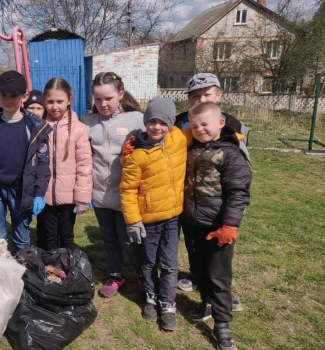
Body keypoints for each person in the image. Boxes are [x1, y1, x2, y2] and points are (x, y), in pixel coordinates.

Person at [175, 73, 246, 312]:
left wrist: (232, 218)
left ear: (218, 95)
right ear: (188, 99)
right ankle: (199, 281)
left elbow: (238, 173)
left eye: (206, 94)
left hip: (216, 206)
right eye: (195, 96)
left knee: (218, 258)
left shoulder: (231, 125)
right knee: (194, 249)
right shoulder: (179, 122)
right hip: (189, 205)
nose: (200, 99)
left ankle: (221, 295)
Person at [183, 102, 251, 350]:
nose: (199, 129)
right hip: (191, 224)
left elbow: (238, 192)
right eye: (194, 126)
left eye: (204, 124)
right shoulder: (190, 149)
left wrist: (229, 225)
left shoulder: (230, 153)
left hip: (217, 228)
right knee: (199, 270)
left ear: (221, 123)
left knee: (218, 276)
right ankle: (205, 303)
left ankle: (222, 324)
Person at [119, 97, 187, 331]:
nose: (157, 127)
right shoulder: (136, 155)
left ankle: (167, 303)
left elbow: (203, 130)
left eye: (163, 122)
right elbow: (127, 190)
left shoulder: (179, 138)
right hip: (147, 221)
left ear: (171, 123)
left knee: (169, 265)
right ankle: (151, 296)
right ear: (146, 122)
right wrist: (133, 220)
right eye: (152, 121)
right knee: (148, 262)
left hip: (172, 218)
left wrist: (234, 135)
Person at [0, 70, 51, 251]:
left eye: (13, 95)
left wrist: (38, 193)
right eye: (4, 95)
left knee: (22, 237)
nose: (8, 100)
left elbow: (42, 164)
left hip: (22, 189)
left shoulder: (35, 128)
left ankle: (24, 272)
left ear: (24, 96)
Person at [85, 72, 145, 298]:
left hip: (127, 196)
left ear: (120, 94)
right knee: (109, 239)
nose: (103, 104)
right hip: (99, 195)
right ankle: (116, 274)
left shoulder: (137, 120)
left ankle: (142, 274)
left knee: (129, 240)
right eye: (98, 99)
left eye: (108, 98)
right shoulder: (89, 122)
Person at [36, 78, 92, 251]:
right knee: (48, 235)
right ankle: (51, 269)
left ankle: (67, 267)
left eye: (60, 101)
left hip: (69, 196)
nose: (55, 106)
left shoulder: (79, 129)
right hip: (44, 194)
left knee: (67, 236)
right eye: (50, 101)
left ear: (69, 100)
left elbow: (84, 164)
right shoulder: (38, 126)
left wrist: (82, 197)